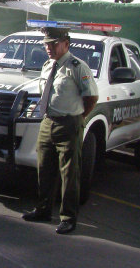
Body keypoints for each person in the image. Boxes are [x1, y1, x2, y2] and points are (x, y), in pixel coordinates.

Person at [22, 27, 99, 234]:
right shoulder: (48, 66)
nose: (49, 48)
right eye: (46, 44)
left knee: (69, 173)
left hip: (69, 123)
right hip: (48, 122)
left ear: (66, 43)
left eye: (53, 43)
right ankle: (43, 209)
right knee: (44, 168)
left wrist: (78, 118)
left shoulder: (77, 67)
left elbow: (91, 97)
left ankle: (68, 217)